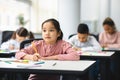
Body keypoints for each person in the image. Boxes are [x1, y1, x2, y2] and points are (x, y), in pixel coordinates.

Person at [15, 18, 80, 80]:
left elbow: (75, 56)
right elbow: (18, 54)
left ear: (58, 33)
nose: (47, 33)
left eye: (51, 30)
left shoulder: (63, 44)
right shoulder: (37, 45)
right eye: (44, 30)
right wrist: (31, 57)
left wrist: (52, 57)